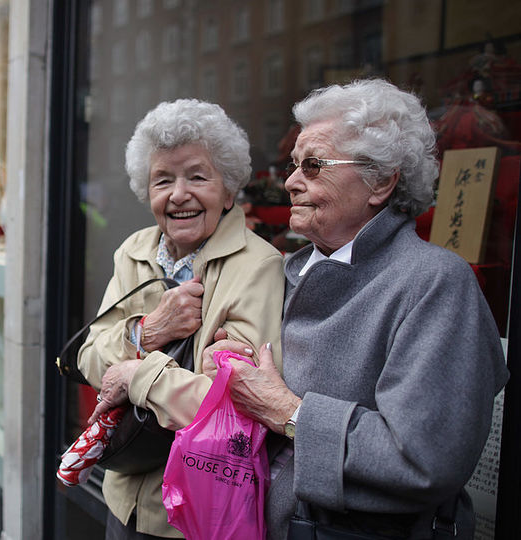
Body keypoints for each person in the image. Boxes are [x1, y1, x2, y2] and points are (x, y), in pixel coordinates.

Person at [201, 79, 509, 539]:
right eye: (293, 165)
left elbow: (423, 460)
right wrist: (227, 368)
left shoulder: (435, 283)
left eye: (313, 165)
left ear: (381, 182)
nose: (289, 181)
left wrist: (287, 411)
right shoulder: (284, 272)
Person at [77, 99, 285, 539]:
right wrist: (151, 330)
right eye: (162, 180)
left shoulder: (259, 266)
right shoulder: (132, 251)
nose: (178, 194)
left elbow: (239, 406)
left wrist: (136, 373)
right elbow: (89, 358)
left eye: (197, 176)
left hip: (196, 512)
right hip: (123, 498)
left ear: (229, 190)